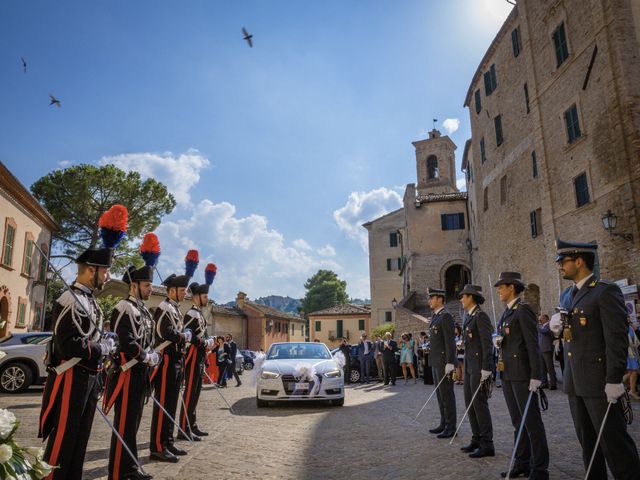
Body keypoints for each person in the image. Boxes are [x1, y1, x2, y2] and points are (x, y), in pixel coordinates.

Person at [38, 206, 124, 480]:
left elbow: (92, 336)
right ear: (90, 270)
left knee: (80, 437)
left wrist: (106, 341)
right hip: (70, 376)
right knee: (64, 437)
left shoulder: (90, 302)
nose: (108, 277)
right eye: (106, 271)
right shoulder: (68, 300)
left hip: (89, 377)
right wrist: (101, 348)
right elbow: (68, 344)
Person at [550, 239, 640, 479]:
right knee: (588, 445)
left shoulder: (604, 290)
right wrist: (554, 328)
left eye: (563, 261)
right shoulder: (567, 295)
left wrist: (614, 379)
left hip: (599, 383)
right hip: (575, 381)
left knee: (614, 444)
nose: (560, 266)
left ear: (579, 261)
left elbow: (616, 339)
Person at [494, 272, 549, 480]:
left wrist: (537, 375)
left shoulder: (523, 309)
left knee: (532, 423)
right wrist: (499, 341)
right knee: (518, 422)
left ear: (512, 287)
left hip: (524, 375)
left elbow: (532, 344)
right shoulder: (506, 313)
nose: (499, 290)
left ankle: (540, 469)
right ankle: (522, 462)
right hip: (508, 373)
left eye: (502, 286)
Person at [105, 264, 158, 480]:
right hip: (127, 373)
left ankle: (129, 467)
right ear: (134, 285)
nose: (150, 290)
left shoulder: (142, 310)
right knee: (125, 423)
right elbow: (125, 340)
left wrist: (152, 354)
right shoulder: (123, 307)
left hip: (140, 374)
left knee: (133, 424)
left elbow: (148, 339)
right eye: (147, 285)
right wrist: (145, 356)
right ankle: (118, 472)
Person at [149, 272, 191, 463]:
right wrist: (183, 337)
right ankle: (157, 446)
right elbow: (164, 332)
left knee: (172, 403)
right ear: (172, 290)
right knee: (164, 404)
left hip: (176, 360)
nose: (185, 294)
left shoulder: (174, 308)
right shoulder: (164, 307)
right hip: (166, 360)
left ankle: (167, 440)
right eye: (182, 290)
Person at [458, 284, 495, 459]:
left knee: (479, 405)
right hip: (469, 367)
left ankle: (487, 444)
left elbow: (487, 345)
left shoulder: (481, 316)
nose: (461, 299)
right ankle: (477, 438)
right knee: (470, 404)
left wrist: (487, 368)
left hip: (479, 368)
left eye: (463, 296)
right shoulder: (468, 317)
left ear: (471, 297)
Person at [179, 280, 216, 442]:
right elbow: (188, 336)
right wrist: (204, 343)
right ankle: (183, 427)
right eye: (205, 295)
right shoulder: (191, 314)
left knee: (195, 393)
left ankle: (192, 425)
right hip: (192, 358)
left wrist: (208, 342)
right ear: (196, 297)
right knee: (190, 393)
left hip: (200, 357)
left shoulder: (199, 313)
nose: (207, 298)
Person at [427, 288, 457, 438]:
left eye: (432, 298)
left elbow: (450, 342)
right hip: (436, 361)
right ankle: (444, 423)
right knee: (440, 395)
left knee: (447, 395)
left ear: (439, 299)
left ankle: (451, 426)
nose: (429, 301)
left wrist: (450, 362)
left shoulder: (445, 317)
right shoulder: (435, 317)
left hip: (444, 362)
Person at [537, 314, 557, 390]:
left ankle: (553, 383)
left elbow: (544, 331)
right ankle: (544, 382)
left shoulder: (549, 326)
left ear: (545, 319)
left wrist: (537, 326)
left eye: (540, 319)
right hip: (541, 349)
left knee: (549, 367)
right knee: (542, 367)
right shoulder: (541, 327)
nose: (539, 321)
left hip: (547, 349)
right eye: (539, 319)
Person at [624, 317, 640, 400]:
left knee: (632, 372)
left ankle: (632, 390)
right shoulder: (622, 327)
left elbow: (635, 339)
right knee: (634, 371)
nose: (629, 319)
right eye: (627, 318)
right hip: (628, 353)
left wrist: (635, 344)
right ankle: (631, 390)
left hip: (633, 351)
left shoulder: (630, 327)